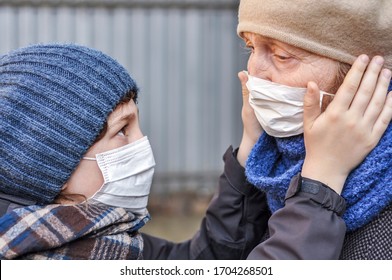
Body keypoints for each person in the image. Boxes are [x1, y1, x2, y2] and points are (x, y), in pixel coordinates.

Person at [0, 43, 270, 260]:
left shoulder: (112, 244)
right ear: (51, 166)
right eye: (122, 130)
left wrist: (250, 145)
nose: (142, 143)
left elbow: (202, 262)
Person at [236, 0, 392, 259]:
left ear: (363, 77)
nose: (254, 72)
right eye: (251, 47)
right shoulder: (272, 165)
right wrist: (251, 147)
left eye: (282, 55)